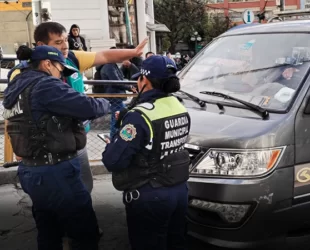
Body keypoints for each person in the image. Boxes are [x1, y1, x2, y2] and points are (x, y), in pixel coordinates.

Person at [7, 21, 148, 196]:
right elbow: (13, 111)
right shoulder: (27, 77)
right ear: (42, 48)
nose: (65, 46)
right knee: (65, 202)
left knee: (80, 189)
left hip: (72, 140)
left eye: (66, 40)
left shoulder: (71, 58)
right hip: (46, 150)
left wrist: (133, 52)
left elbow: (104, 56)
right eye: (58, 42)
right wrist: (16, 144)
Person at [3, 45, 110, 250]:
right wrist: (104, 103)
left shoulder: (15, 87)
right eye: (60, 68)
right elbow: (86, 107)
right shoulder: (45, 86)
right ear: (47, 64)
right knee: (85, 233)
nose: (62, 75)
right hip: (56, 171)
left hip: (31, 170)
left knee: (49, 231)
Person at [102, 55, 191, 250]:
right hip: (179, 190)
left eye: (138, 78)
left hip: (151, 194)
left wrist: (113, 143)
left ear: (145, 81)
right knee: (176, 242)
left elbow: (113, 161)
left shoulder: (140, 116)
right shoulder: (180, 106)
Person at [98, 47, 137, 137]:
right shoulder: (109, 66)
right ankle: (114, 138)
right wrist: (129, 87)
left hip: (115, 96)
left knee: (117, 118)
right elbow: (117, 82)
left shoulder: (112, 65)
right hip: (115, 96)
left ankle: (114, 138)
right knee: (117, 119)